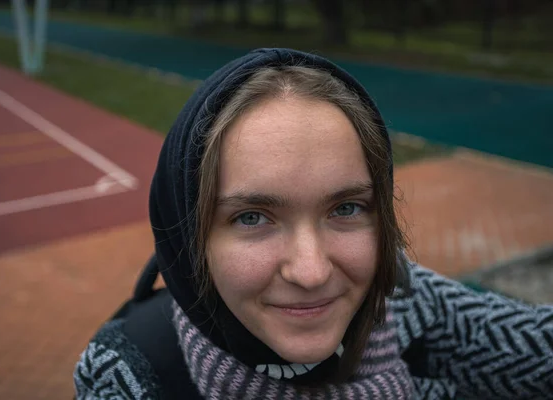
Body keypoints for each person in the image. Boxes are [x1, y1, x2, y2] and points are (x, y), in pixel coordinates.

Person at [73, 48, 553, 399]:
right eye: (252, 217)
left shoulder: (404, 301)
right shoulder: (129, 373)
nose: (312, 272)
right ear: (188, 238)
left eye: (345, 208)